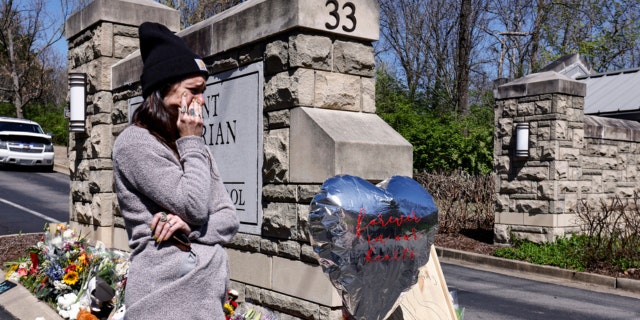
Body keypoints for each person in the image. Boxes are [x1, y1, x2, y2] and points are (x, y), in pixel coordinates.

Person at [112, 22, 239, 319]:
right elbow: (193, 205)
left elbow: (229, 219)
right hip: (165, 295)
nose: (202, 100)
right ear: (164, 89)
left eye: (204, 91)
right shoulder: (134, 143)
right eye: (194, 90)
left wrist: (191, 230)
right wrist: (192, 141)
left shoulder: (195, 149)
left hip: (204, 301)